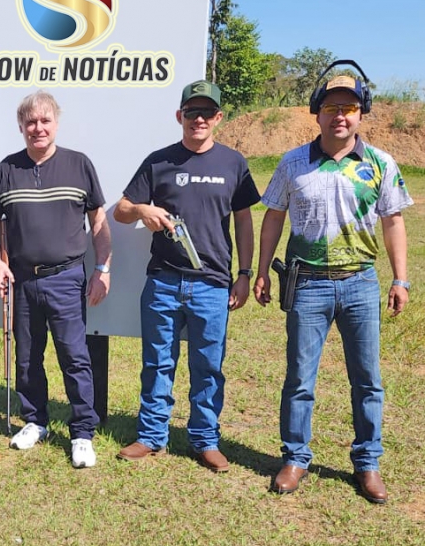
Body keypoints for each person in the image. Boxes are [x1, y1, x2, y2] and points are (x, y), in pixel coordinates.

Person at [254, 73, 412, 503]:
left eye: (349, 108)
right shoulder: (292, 163)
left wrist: (400, 278)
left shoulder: (380, 164)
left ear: (361, 113)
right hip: (307, 285)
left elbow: (393, 221)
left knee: (368, 380)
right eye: (331, 108)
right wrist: (263, 269)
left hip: (360, 283)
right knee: (300, 379)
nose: (340, 116)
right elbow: (272, 217)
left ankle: (368, 462)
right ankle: (295, 458)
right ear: (317, 112)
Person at [113, 80, 259, 473]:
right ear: (179, 116)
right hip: (163, 280)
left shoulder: (234, 163)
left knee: (208, 365)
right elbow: (120, 210)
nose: (198, 119)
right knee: (157, 362)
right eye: (191, 112)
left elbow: (244, 222)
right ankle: (151, 435)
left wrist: (244, 274)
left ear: (218, 118)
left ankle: (205, 439)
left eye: (206, 113)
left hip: (212, 283)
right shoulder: (159, 161)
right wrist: (144, 211)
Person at [0, 91, 111, 469]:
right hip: (22, 281)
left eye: (45, 121)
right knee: (27, 358)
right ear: (21, 127)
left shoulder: (79, 165)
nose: (38, 128)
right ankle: (35, 421)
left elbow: (98, 221)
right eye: (30, 122)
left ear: (56, 122)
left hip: (67, 278)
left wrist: (104, 267)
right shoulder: (6, 169)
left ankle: (83, 431)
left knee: (74, 356)